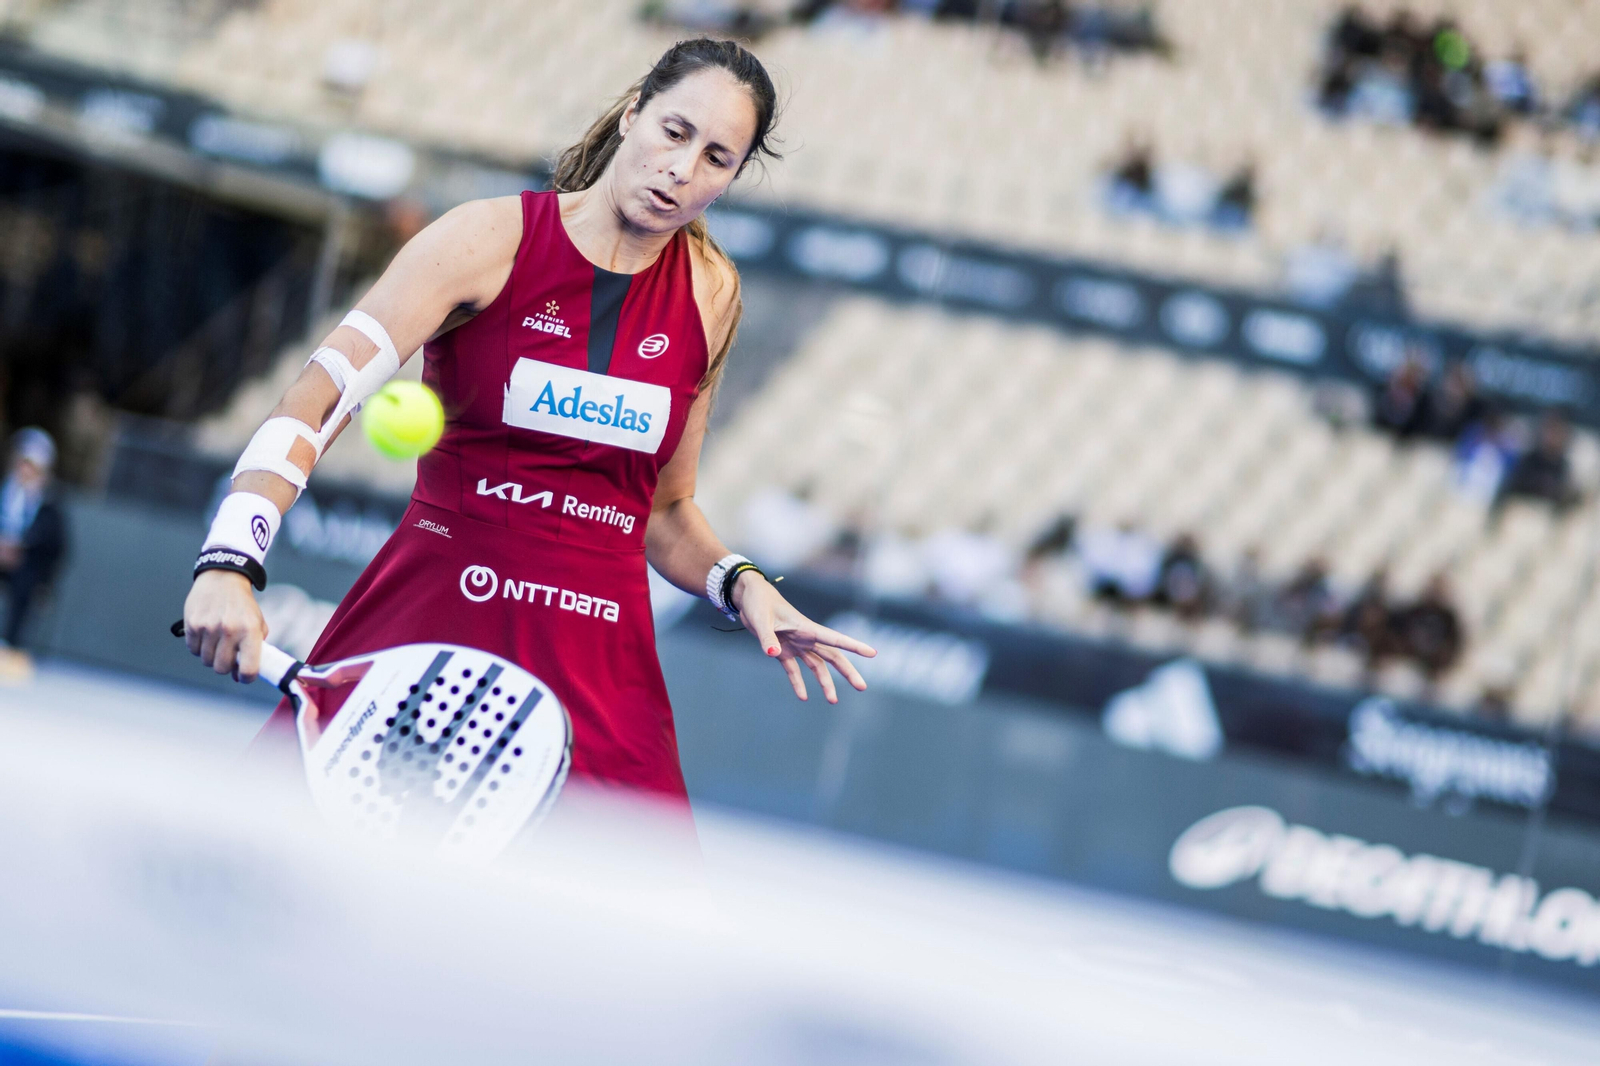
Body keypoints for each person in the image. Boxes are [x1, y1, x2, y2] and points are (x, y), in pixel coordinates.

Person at [182, 39, 876, 810]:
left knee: (627, 924)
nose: (683, 169)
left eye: (717, 157)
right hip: (434, 627)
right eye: (675, 132)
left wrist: (741, 585)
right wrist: (228, 561)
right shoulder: (482, 238)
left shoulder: (711, 292)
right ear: (635, 112)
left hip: (601, 668)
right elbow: (314, 403)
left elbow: (665, 511)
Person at [0, 428, 66, 673]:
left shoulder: (49, 503)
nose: (25, 471)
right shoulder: (5, 491)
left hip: (25, 566)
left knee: (26, 585)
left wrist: (22, 547)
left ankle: (10, 644)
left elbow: (56, 545)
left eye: (33, 466)